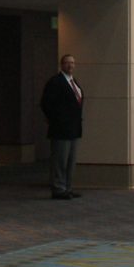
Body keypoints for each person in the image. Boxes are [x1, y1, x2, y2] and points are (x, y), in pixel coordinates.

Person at [40, 53, 84, 200]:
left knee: (70, 161)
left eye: (72, 63)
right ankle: (58, 188)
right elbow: (46, 103)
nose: (70, 65)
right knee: (60, 160)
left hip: (73, 129)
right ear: (61, 65)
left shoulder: (74, 82)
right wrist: (56, 119)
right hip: (61, 129)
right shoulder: (56, 82)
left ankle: (68, 187)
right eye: (67, 63)